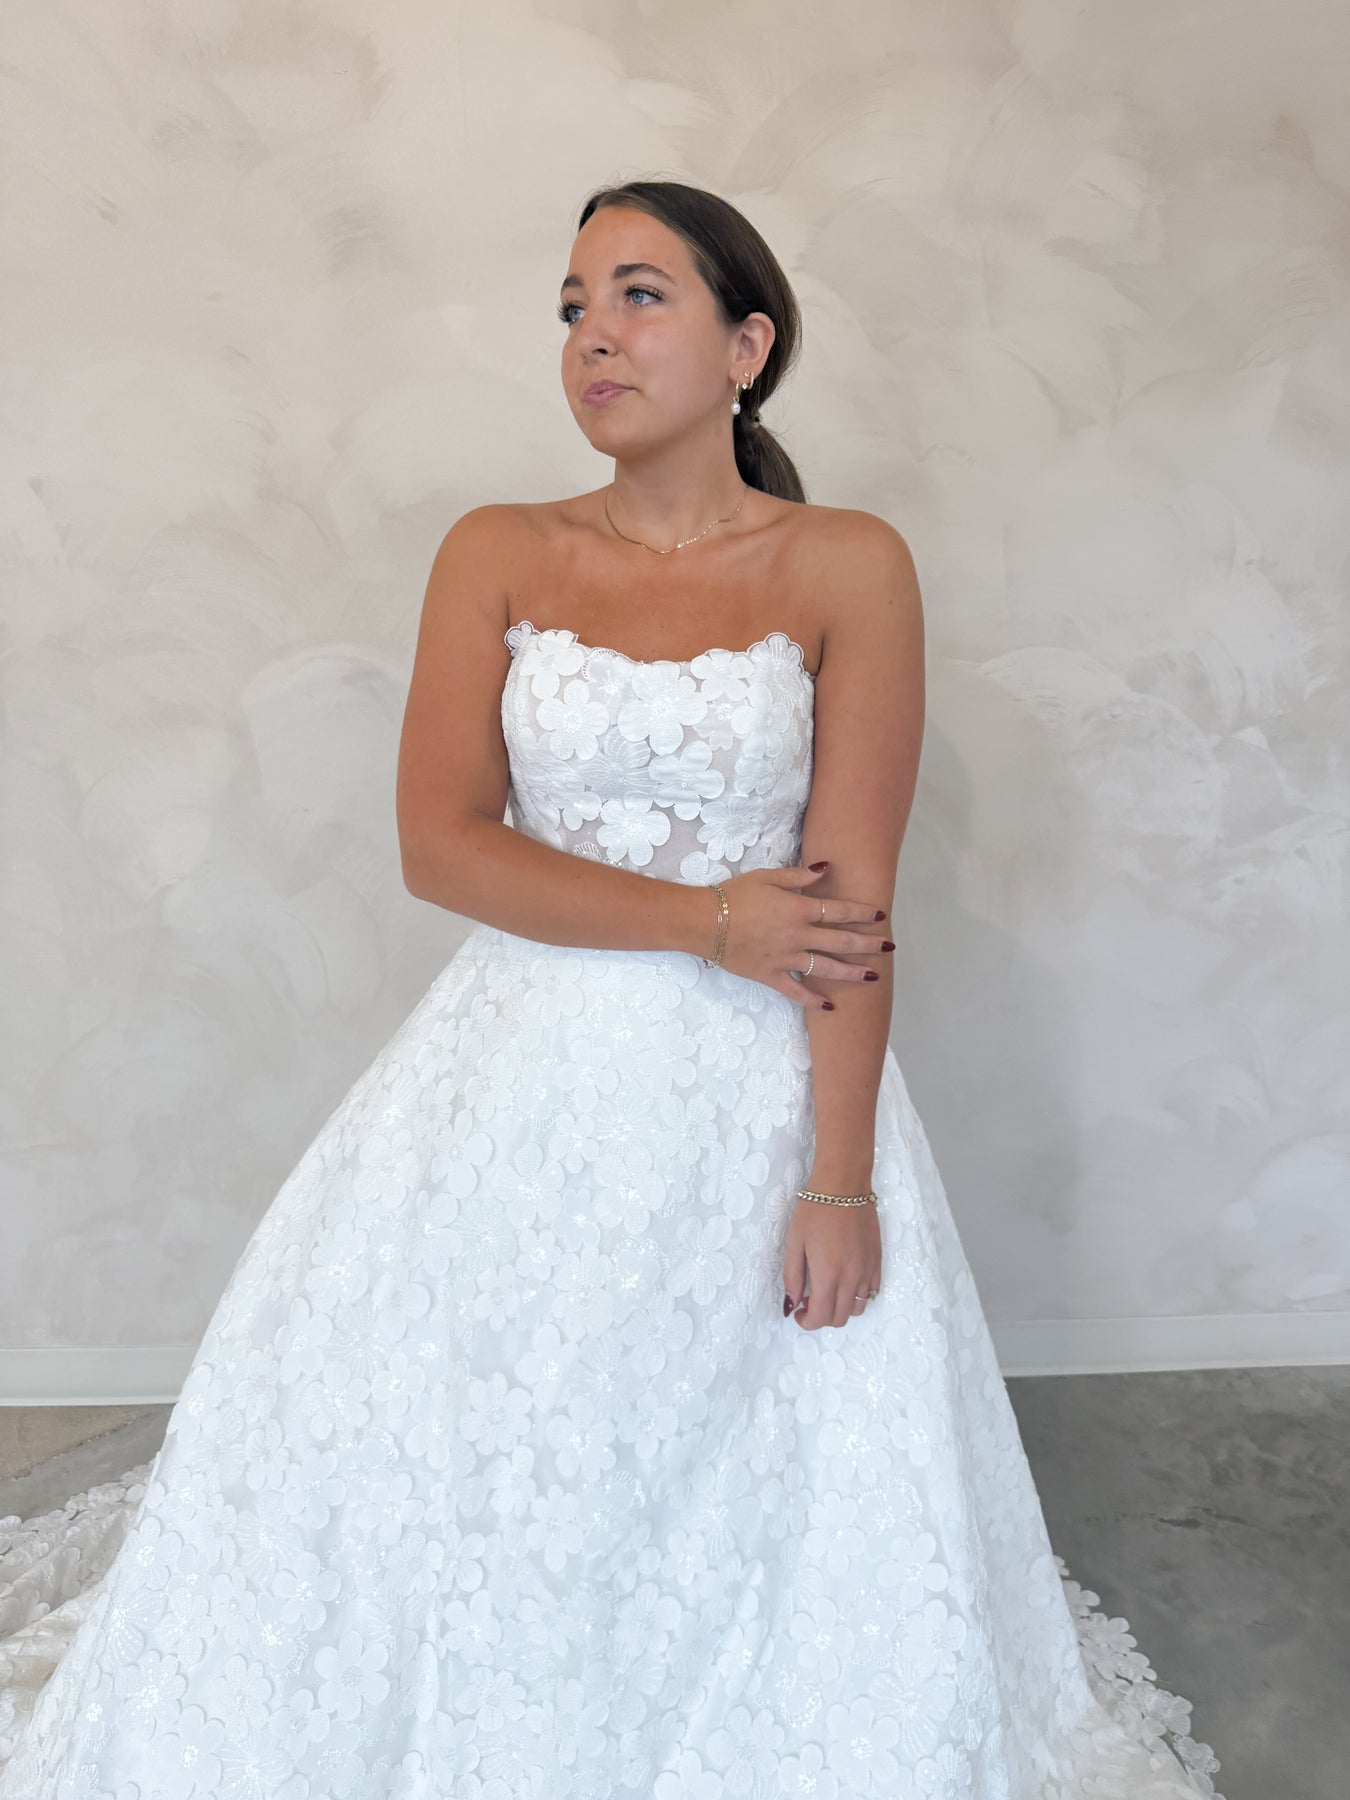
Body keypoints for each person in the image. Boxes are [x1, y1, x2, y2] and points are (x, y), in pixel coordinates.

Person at [0, 179, 1222, 1798]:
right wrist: (707, 920)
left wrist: (837, 1182)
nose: (594, 336)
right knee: (464, 1443)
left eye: (640, 296)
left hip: (753, 1097)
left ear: (747, 347)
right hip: (512, 1077)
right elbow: (441, 846)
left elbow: (849, 910)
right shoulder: (498, 551)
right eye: (573, 306)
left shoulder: (849, 564)